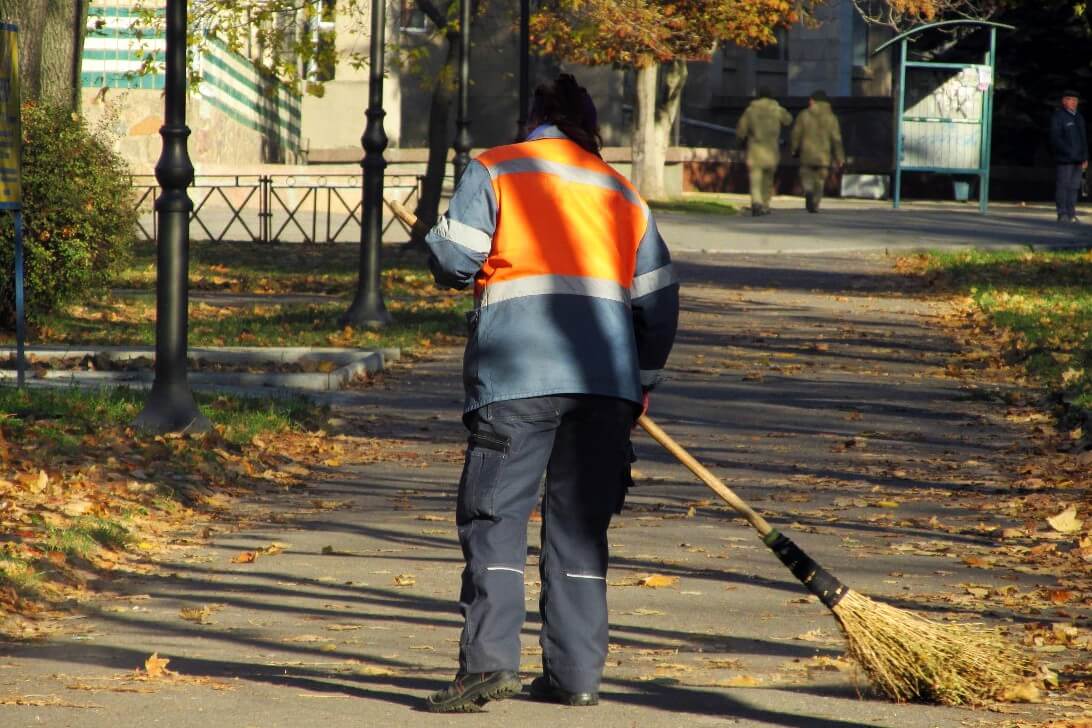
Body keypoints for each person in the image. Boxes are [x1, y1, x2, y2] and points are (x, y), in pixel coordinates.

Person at [420, 73, 680, 713]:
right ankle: (576, 675)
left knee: (496, 518)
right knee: (581, 529)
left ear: (532, 120)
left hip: (516, 379)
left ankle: (486, 666)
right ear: (588, 126)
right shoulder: (623, 194)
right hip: (605, 388)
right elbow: (659, 304)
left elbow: (456, 262)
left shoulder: (497, 169)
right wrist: (639, 386)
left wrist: (439, 234)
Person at [736, 87, 793, 216]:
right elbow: (789, 120)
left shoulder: (750, 111)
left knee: (755, 180)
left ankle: (756, 202)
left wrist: (740, 141)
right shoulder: (777, 110)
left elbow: (741, 130)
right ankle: (765, 205)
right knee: (768, 180)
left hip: (755, 150)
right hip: (772, 151)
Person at [790, 90, 845, 213]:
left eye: (810, 99)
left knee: (806, 177)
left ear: (814, 100)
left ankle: (808, 192)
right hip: (823, 156)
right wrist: (840, 157)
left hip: (807, 154)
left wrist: (794, 149)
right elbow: (836, 139)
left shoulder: (803, 115)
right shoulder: (832, 118)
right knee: (820, 180)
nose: (809, 101)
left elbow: (796, 134)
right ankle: (815, 203)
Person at [1050, 89, 1088, 223]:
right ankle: (1062, 213)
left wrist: (1085, 157)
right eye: (1071, 100)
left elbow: (1084, 139)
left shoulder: (1079, 117)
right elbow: (1056, 138)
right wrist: (1068, 152)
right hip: (1065, 159)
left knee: (1074, 187)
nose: (1074, 103)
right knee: (1063, 186)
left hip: (1078, 159)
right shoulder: (1058, 117)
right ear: (1064, 101)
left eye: (1076, 101)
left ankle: (1071, 213)